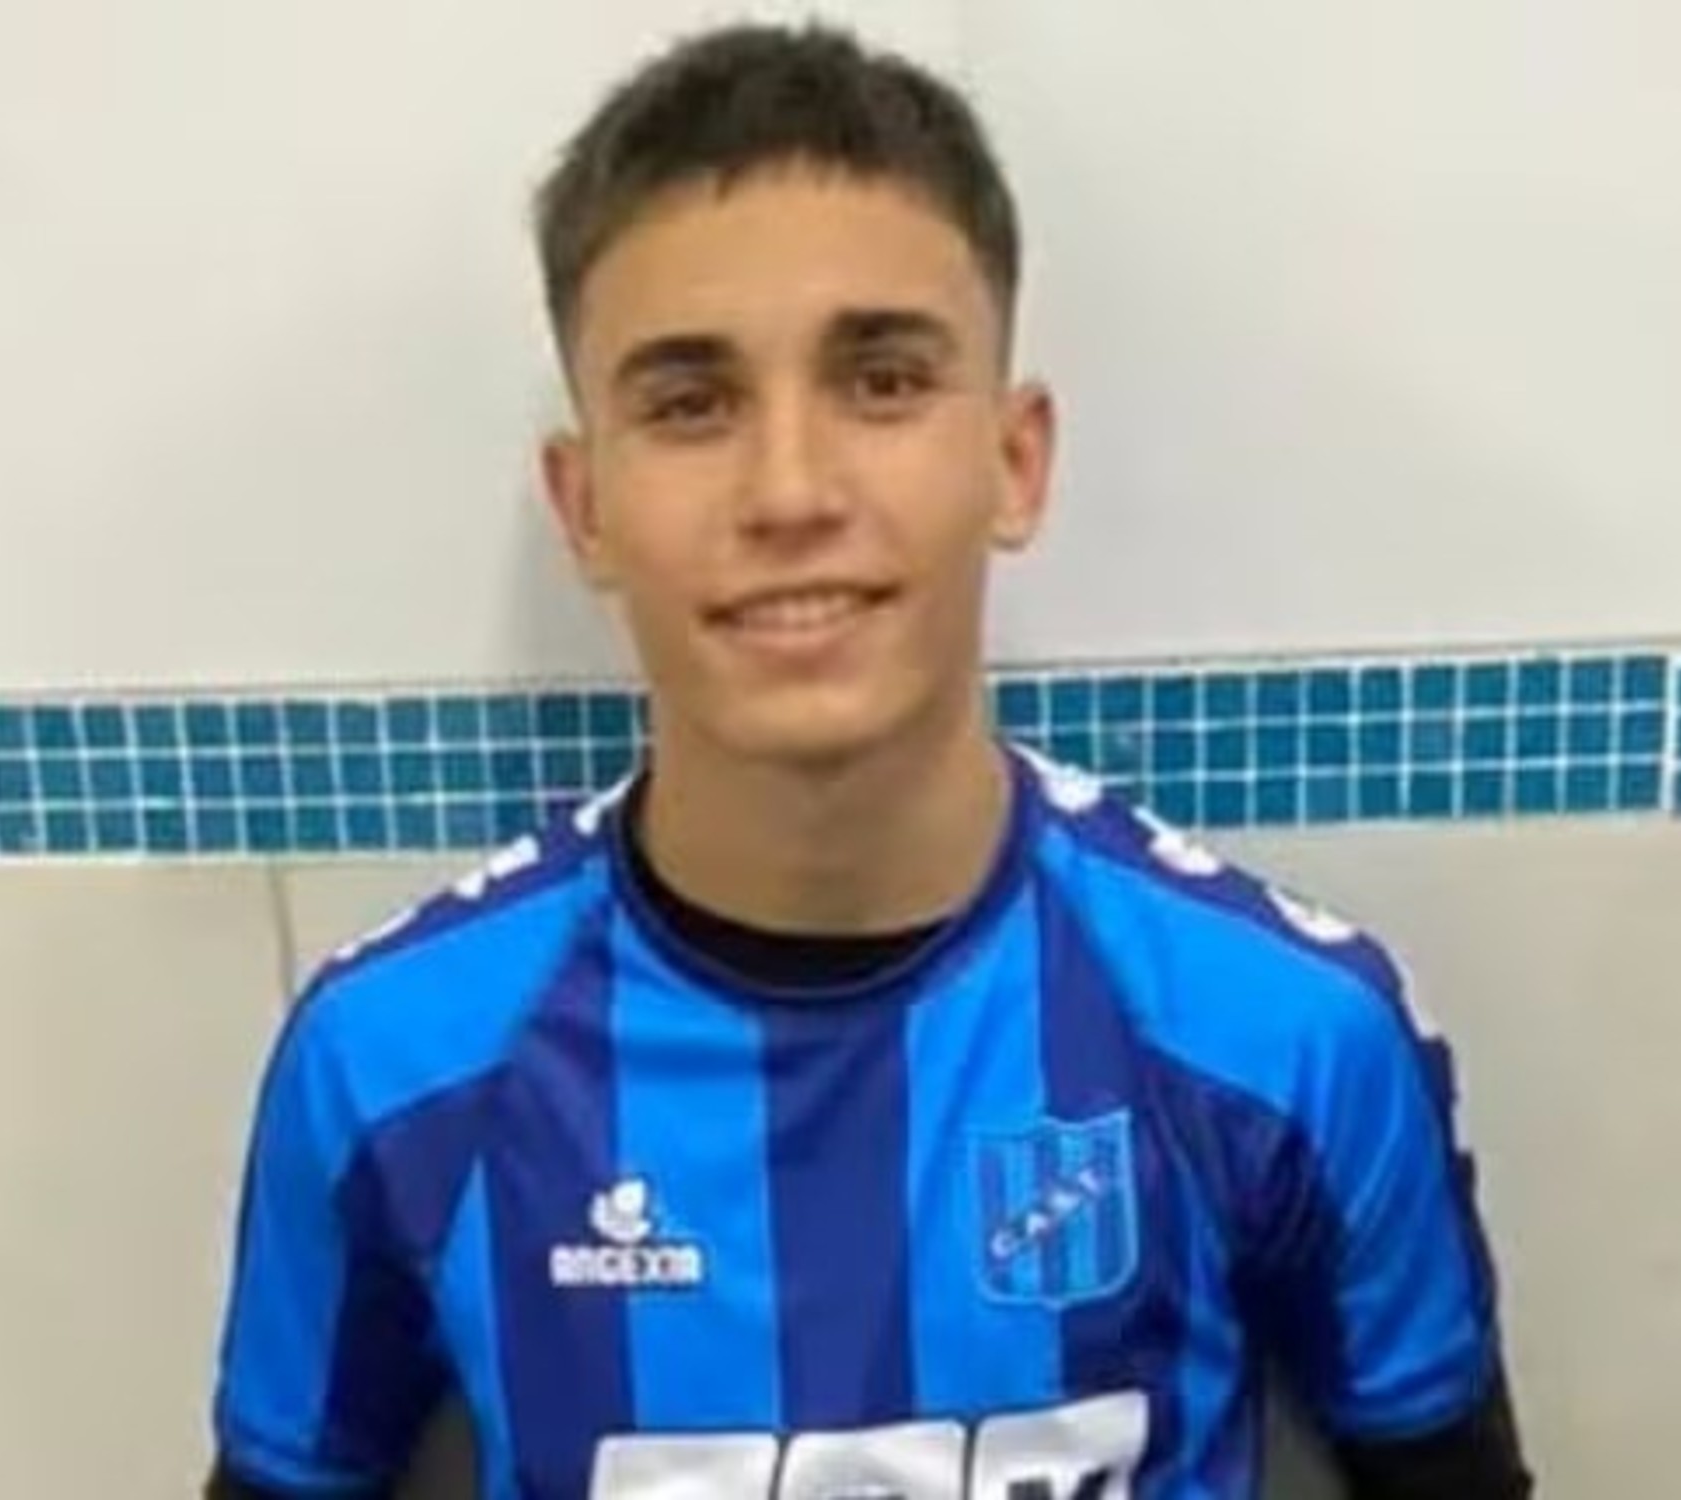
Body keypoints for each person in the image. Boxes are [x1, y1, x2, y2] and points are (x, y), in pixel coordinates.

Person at [205, 21, 1532, 1499]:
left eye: (883, 381)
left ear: (1014, 462)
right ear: (585, 508)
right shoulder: (395, 1063)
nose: (790, 491)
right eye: (690, 404)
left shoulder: (1286, 1038)